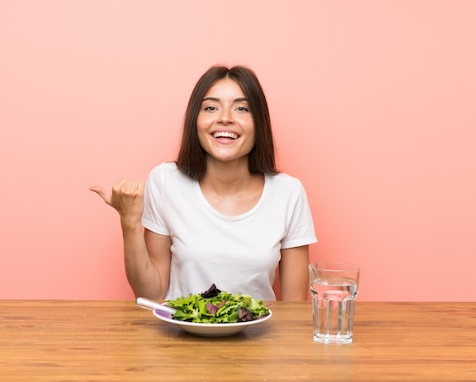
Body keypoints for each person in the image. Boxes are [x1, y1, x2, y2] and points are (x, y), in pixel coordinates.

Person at [90, 65, 317, 301]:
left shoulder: (289, 193)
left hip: (256, 336)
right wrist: (129, 221)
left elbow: (295, 308)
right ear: (195, 120)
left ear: (259, 123)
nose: (225, 118)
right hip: (180, 334)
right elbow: (150, 293)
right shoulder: (165, 181)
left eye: (241, 108)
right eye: (211, 107)